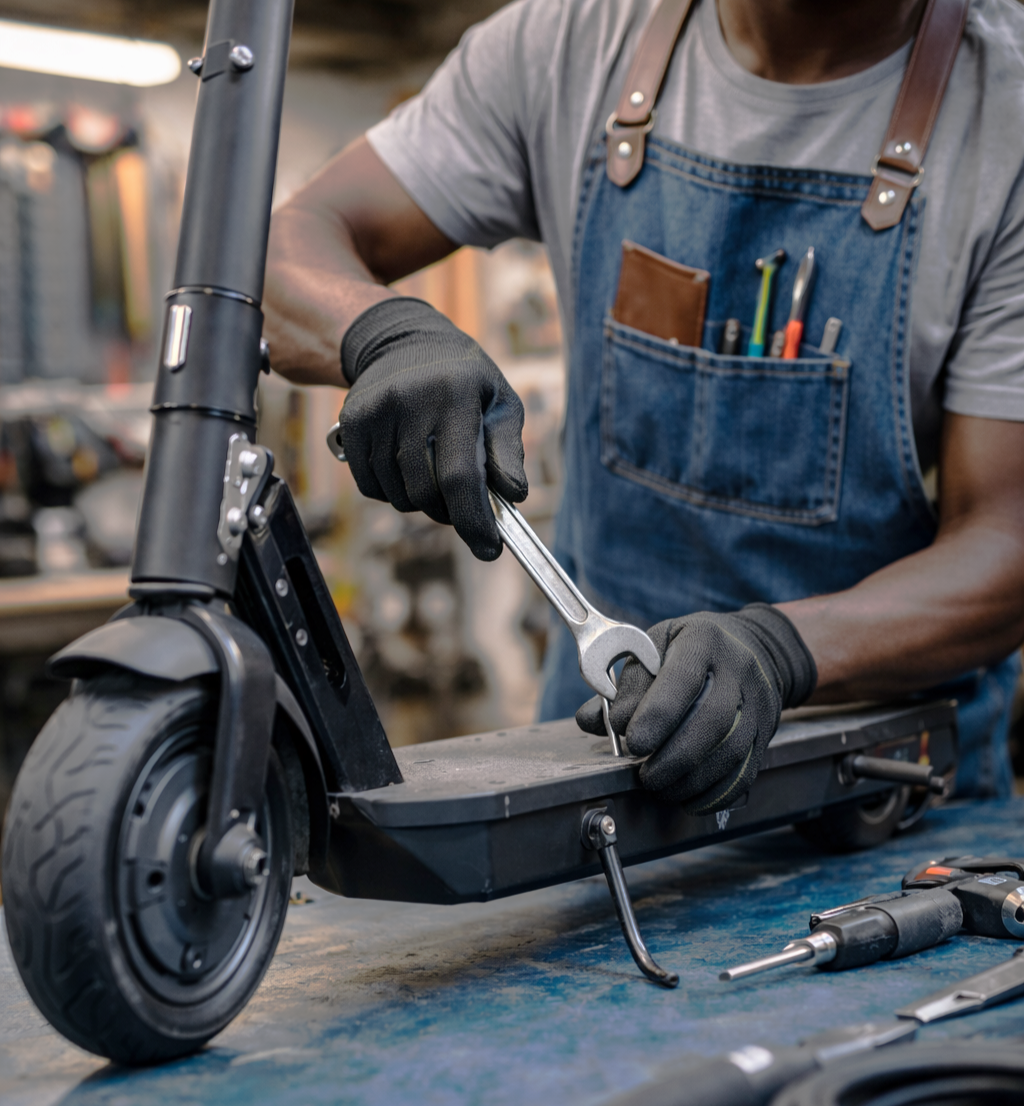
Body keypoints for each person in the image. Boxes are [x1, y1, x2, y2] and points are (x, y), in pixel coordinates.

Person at [263, 0, 1024, 812]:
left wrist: (782, 651)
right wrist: (384, 332)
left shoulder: (1004, 117)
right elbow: (280, 249)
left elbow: (1005, 539)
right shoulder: (567, 46)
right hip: (596, 774)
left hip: (882, 803)